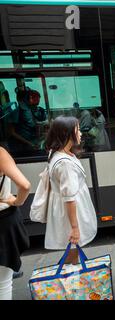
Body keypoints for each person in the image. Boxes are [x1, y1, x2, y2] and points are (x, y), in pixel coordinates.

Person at [44, 116, 97, 264]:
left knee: (74, 253)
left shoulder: (56, 153)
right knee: (73, 253)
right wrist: (75, 227)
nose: (80, 133)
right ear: (67, 134)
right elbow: (69, 197)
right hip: (71, 215)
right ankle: (60, 284)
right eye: (77, 130)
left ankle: (71, 281)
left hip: (68, 212)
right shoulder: (64, 164)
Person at [0, 146, 30, 300]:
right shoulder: (0, 153)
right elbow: (25, 186)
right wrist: (16, 201)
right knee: (3, 284)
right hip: (3, 222)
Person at [6, 78, 47, 156]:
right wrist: (29, 143)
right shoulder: (16, 112)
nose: (36, 103)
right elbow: (11, 132)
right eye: (33, 98)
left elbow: (36, 125)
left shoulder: (34, 111)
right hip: (20, 147)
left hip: (32, 142)